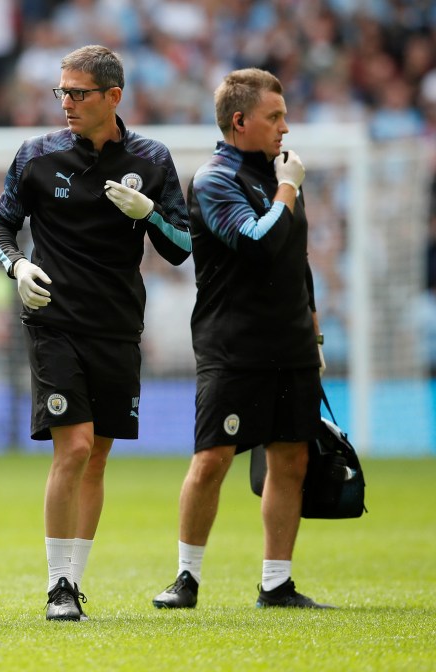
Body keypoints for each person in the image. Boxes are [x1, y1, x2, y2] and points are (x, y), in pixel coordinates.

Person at [0, 45, 192, 621]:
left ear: (113, 97)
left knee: (97, 457)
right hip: (54, 321)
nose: (67, 103)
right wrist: (17, 266)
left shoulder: (152, 159)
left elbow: (181, 249)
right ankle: (56, 586)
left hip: (119, 326)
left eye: (78, 93)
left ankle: (74, 583)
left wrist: (148, 212)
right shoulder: (37, 155)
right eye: (62, 93)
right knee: (73, 448)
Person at [152, 68, 332, 610]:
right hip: (233, 345)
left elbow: (293, 259)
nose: (284, 126)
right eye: (273, 116)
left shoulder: (278, 174)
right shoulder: (214, 178)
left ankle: (276, 583)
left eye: (284, 115)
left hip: (291, 341)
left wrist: (314, 326)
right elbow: (256, 244)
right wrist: (288, 189)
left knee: (291, 458)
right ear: (240, 120)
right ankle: (186, 579)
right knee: (213, 460)